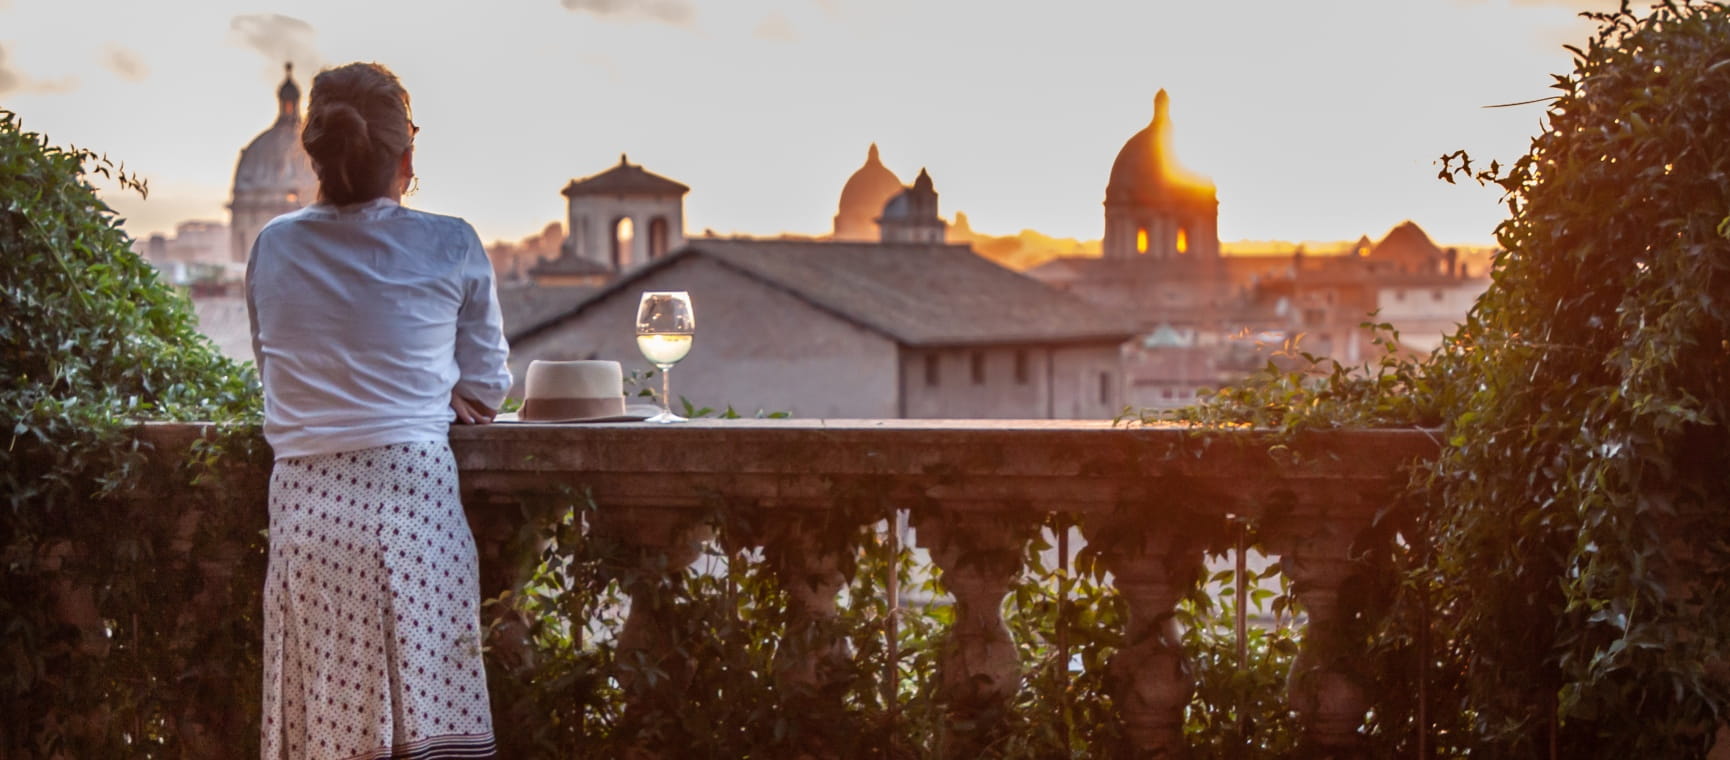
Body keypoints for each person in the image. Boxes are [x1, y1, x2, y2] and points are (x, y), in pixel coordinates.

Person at [246, 61, 509, 759]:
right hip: (414, 517)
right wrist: (430, 388)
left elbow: (276, 372)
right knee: (430, 735)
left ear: (317, 154)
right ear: (407, 155)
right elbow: (486, 392)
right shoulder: (452, 242)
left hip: (308, 525)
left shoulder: (271, 247)